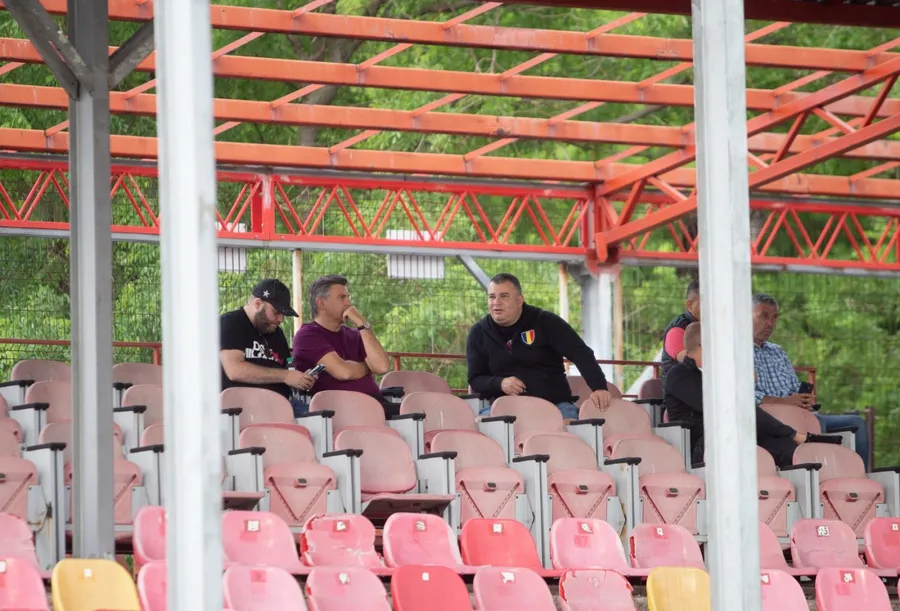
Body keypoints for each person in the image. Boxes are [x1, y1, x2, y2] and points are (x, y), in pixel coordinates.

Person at [664, 322, 840, 467]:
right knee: (750, 423)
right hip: (705, 443)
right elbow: (721, 407)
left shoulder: (715, 375)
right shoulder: (680, 375)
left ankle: (795, 445)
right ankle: (795, 435)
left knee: (789, 450)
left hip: (735, 433)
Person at [466, 273, 611, 421]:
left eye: (504, 296)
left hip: (555, 405)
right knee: (479, 424)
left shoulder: (546, 322)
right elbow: (475, 379)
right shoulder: (478, 333)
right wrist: (500, 383)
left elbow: (580, 353)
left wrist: (599, 387)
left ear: (519, 300)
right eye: (492, 297)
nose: (496, 302)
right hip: (504, 409)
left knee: (569, 426)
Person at [752, 292, 870, 466]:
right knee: (818, 427)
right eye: (764, 316)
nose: (770, 323)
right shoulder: (736, 350)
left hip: (800, 414)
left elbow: (794, 387)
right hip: (771, 420)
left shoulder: (777, 351)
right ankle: (823, 470)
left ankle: (859, 475)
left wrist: (803, 400)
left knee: (857, 423)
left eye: (774, 317)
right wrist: (785, 402)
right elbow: (746, 397)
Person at [292, 275, 394, 416]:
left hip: (374, 404)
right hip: (340, 410)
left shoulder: (357, 334)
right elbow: (344, 372)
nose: (349, 303)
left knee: (418, 410)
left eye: (348, 297)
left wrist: (362, 324)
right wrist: (367, 367)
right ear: (321, 303)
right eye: (342, 297)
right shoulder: (307, 335)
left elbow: (382, 367)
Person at [219, 278, 315, 400]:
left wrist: (300, 378)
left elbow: (287, 369)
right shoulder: (230, 322)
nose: (281, 319)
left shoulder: (275, 331)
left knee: (322, 410)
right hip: (241, 405)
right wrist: (286, 376)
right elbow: (235, 370)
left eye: (283, 314)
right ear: (258, 304)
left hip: (281, 403)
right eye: (276, 312)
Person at [660, 279, 700, 381]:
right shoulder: (676, 330)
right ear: (689, 305)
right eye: (704, 305)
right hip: (680, 388)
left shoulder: (711, 327)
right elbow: (691, 361)